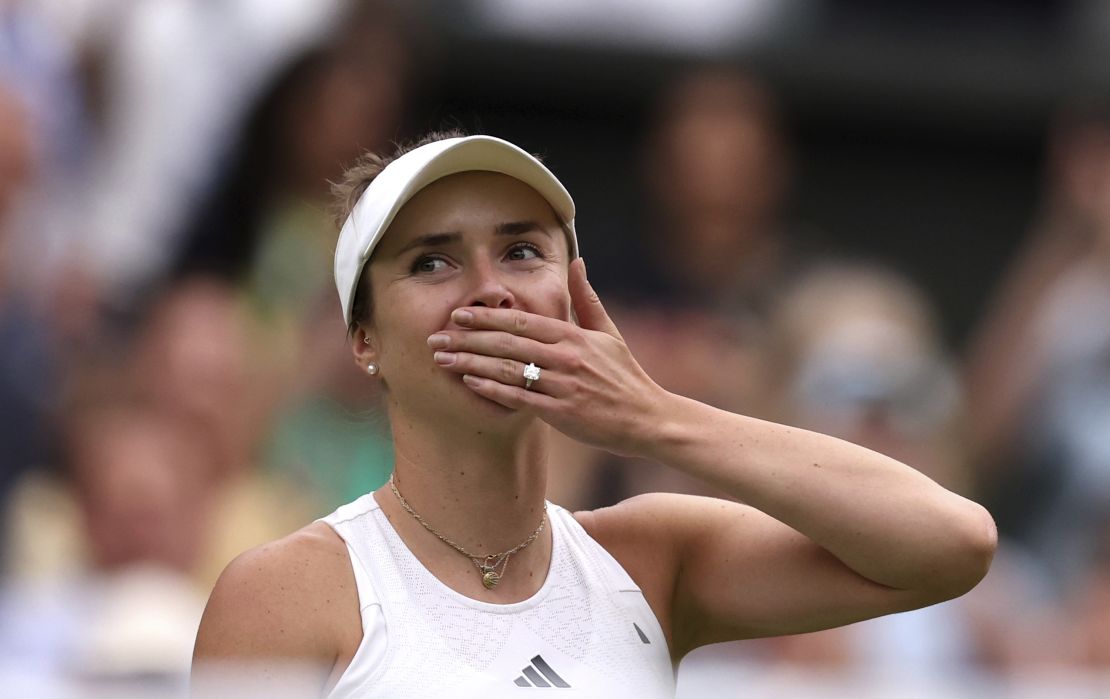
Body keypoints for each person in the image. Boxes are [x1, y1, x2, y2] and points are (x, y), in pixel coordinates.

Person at [191, 132, 997, 698]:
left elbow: (952, 543)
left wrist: (651, 414)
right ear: (363, 339)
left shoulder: (651, 559)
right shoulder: (287, 593)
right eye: (432, 260)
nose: (491, 289)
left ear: (574, 299)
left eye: (521, 251)